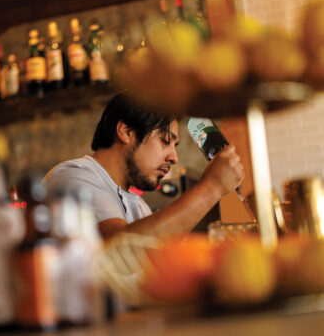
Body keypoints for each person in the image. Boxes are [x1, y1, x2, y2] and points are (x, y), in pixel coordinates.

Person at [43, 92, 244, 240]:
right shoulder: (72, 178)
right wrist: (213, 186)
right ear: (125, 131)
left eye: (175, 146)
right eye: (165, 141)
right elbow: (121, 248)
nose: (174, 157)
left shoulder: (140, 207)